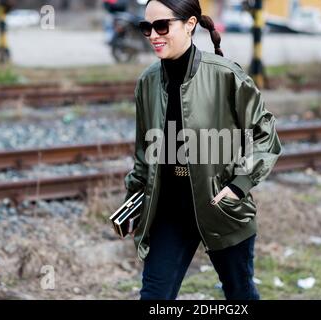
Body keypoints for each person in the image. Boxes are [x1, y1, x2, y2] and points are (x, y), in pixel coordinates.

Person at [123, 0, 282, 300]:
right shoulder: (147, 82)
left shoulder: (226, 75)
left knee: (240, 294)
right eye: (147, 28)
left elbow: (265, 134)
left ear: (190, 24)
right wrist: (133, 201)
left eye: (161, 26)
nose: (153, 35)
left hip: (220, 208)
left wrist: (239, 185)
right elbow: (145, 154)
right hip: (168, 213)